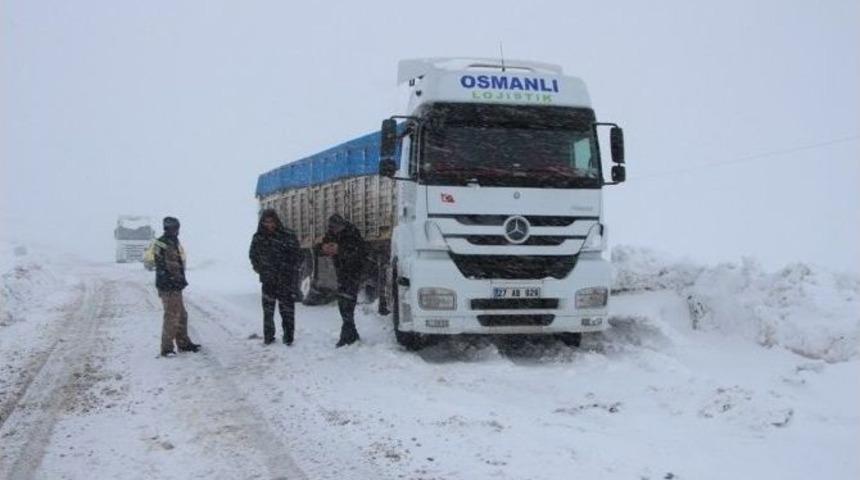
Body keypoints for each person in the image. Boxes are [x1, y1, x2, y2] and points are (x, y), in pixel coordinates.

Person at [249, 209, 300, 345]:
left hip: (285, 279)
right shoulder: (258, 237)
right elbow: (253, 256)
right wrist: (261, 269)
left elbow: (297, 255)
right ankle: (269, 337)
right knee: (268, 311)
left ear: (276, 221)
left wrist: (289, 269)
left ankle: (288, 337)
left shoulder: (287, 235)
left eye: (271, 222)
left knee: (287, 311)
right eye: (266, 222)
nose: (269, 225)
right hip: (268, 280)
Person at [153, 216, 200, 357]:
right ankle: (166, 348)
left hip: (173, 285)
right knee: (172, 317)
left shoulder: (172, 241)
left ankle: (183, 343)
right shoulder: (162, 243)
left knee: (181, 316)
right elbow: (168, 264)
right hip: (168, 286)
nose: (177, 231)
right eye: (175, 228)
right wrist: (176, 279)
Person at [321, 214, 365, 347]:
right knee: (342, 304)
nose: (334, 231)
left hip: (352, 273)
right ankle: (352, 333)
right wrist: (324, 248)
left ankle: (346, 336)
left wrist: (340, 250)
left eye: (336, 228)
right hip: (340, 273)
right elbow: (321, 247)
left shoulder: (352, 233)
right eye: (332, 229)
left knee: (348, 304)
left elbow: (359, 252)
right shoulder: (331, 234)